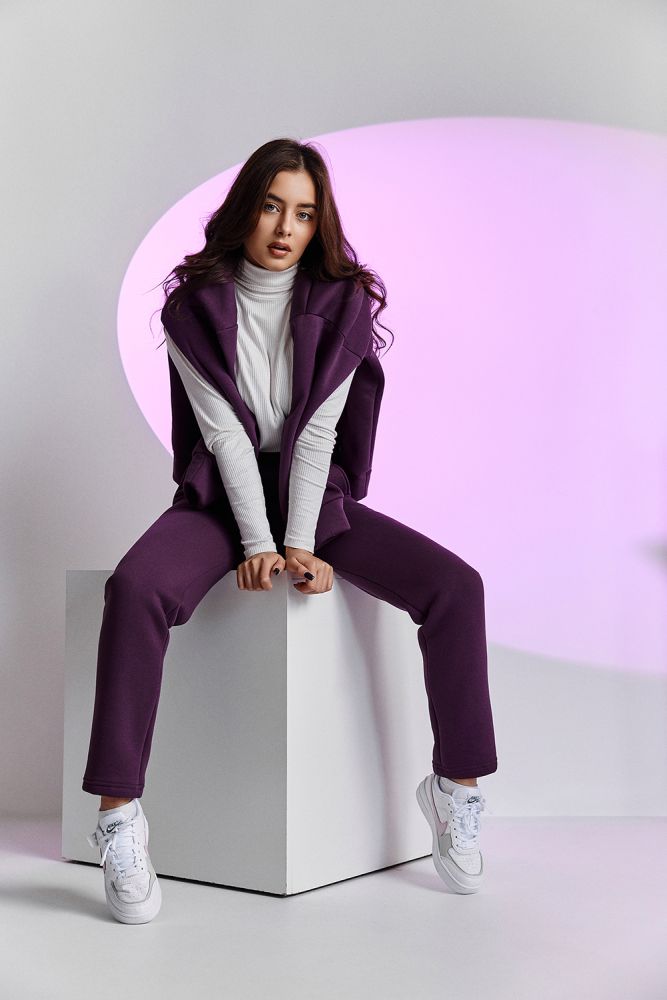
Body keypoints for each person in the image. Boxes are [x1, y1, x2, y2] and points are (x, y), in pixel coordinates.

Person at [83, 137, 498, 924]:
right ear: (246, 208)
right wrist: (257, 544)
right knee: (134, 588)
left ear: (318, 224)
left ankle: (455, 789)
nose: (285, 228)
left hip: (314, 496)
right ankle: (118, 816)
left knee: (456, 587)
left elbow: (316, 435)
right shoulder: (191, 307)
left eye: (304, 214)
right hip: (221, 495)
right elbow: (224, 436)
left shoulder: (341, 305)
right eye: (272, 206)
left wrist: (300, 541)